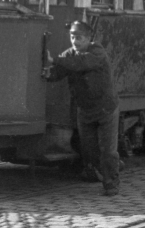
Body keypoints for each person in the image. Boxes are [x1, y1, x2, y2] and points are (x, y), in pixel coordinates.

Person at [42, 20, 121, 196]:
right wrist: (48, 73)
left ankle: (111, 184)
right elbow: (58, 72)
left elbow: (80, 63)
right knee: (89, 151)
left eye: (79, 38)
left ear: (88, 39)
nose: (75, 41)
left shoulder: (96, 51)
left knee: (107, 150)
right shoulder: (69, 55)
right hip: (85, 111)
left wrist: (54, 60)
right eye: (72, 37)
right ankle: (111, 168)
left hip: (106, 109)